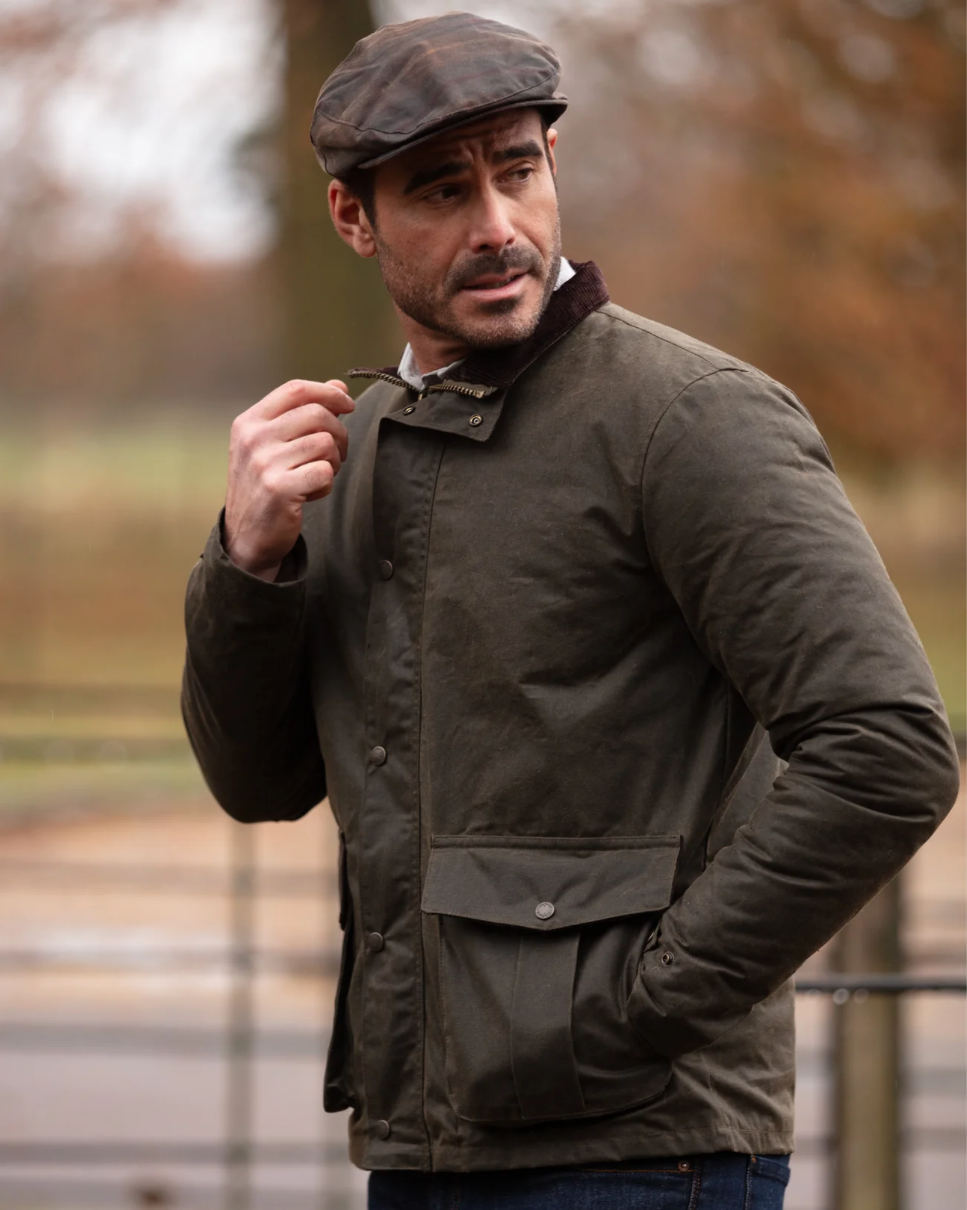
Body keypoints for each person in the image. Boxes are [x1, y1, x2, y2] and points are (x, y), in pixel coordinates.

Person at [181, 12, 960, 1210]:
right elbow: (260, 781)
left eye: (518, 170)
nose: (498, 224)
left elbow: (888, 748)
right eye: (442, 190)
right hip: (420, 1143)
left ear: (554, 163)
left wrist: (642, 1008)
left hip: (643, 1152)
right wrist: (249, 560)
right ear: (352, 216)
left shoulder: (685, 417)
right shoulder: (352, 448)